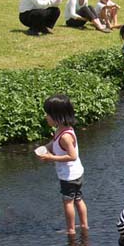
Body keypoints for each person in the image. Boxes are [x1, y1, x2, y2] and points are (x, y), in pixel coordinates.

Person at [35, 95, 88, 235]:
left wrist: (51, 157)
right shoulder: (63, 129)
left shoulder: (65, 136)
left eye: (48, 114)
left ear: (57, 116)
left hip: (69, 176)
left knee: (68, 202)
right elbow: (54, 143)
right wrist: (46, 148)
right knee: (78, 199)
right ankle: (84, 225)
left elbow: (72, 156)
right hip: (76, 173)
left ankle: (71, 230)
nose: (46, 117)